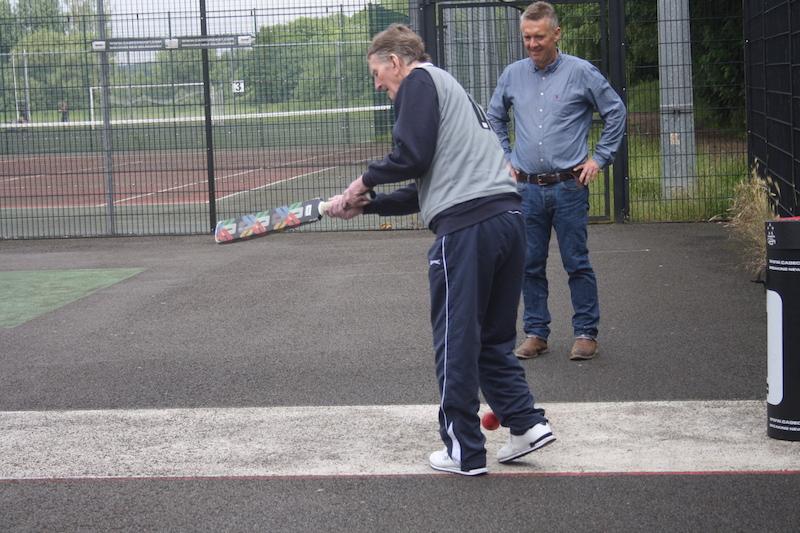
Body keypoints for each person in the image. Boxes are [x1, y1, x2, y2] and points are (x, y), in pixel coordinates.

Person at [325, 23, 555, 476]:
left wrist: (362, 181)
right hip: (507, 222)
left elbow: (410, 157)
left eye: (377, 73)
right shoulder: (452, 91)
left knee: (456, 340)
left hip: (469, 230)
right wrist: (368, 205)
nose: (378, 85)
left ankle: (463, 450)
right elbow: (429, 184)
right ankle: (525, 424)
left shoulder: (418, 81)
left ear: (395, 61)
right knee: (491, 339)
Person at [487, 1, 626, 361]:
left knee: (576, 261)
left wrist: (599, 158)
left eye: (539, 37)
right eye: (527, 37)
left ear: (557, 34)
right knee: (528, 263)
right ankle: (536, 333)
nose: (532, 44)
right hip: (526, 189)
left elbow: (615, 112)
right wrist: (505, 156)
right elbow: (494, 117)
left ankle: (585, 333)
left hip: (569, 187)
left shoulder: (582, 73)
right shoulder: (512, 75)